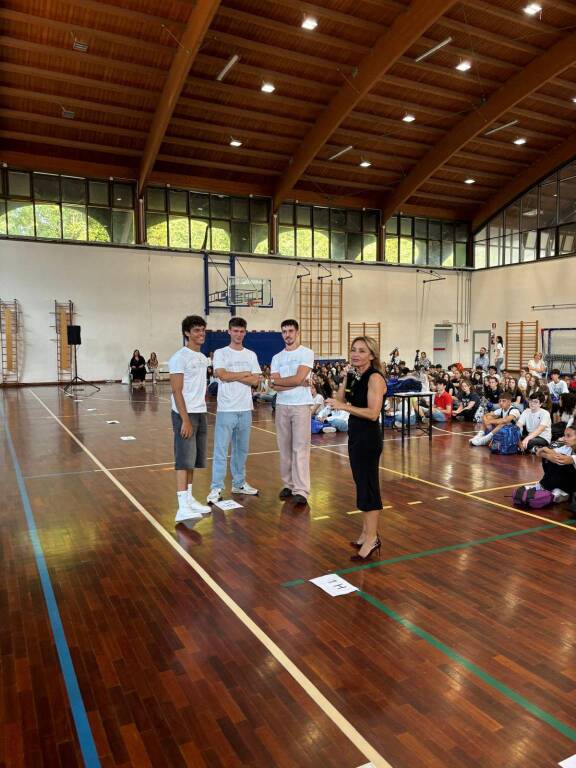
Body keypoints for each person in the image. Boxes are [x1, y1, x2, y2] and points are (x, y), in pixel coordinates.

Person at [327, 337, 386, 561]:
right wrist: (344, 379)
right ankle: (366, 533)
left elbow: (373, 413)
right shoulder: (356, 375)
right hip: (356, 436)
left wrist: (344, 407)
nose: (356, 354)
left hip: (369, 439)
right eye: (353, 350)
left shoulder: (374, 378)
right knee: (361, 484)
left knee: (369, 487)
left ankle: (372, 539)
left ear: (371, 355)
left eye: (362, 351)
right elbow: (340, 398)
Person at [207, 317, 262, 505]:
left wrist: (233, 376)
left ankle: (238, 483)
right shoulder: (221, 353)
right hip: (226, 409)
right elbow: (221, 375)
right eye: (235, 331)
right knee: (221, 450)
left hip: (246, 408)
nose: (238, 334)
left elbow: (256, 381)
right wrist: (245, 374)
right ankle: (216, 487)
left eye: (241, 331)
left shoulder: (251, 355)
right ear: (229, 331)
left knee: (241, 450)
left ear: (245, 332)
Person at [169, 315, 211, 522]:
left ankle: (190, 498)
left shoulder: (203, 358)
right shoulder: (179, 357)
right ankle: (181, 506)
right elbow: (177, 391)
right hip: (184, 414)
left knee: (193, 459)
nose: (201, 333)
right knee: (183, 460)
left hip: (200, 411)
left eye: (203, 330)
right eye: (196, 330)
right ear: (187, 333)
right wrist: (184, 420)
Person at [270, 319, 314, 505]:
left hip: (302, 405)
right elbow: (275, 386)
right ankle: (288, 484)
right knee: (285, 448)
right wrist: (295, 382)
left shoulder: (307, 353)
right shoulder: (276, 358)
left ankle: (301, 490)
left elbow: (297, 378)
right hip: (282, 406)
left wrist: (287, 382)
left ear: (297, 332)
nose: (287, 334)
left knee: (300, 448)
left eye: (290, 331)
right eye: (284, 331)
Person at [532, 425, 576, 502]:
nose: (564, 438)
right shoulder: (567, 447)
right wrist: (546, 453)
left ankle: (561, 490)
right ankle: (553, 487)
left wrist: (547, 452)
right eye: (564, 435)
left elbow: (562, 460)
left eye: (568, 436)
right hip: (569, 478)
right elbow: (539, 453)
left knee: (560, 463)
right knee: (548, 460)